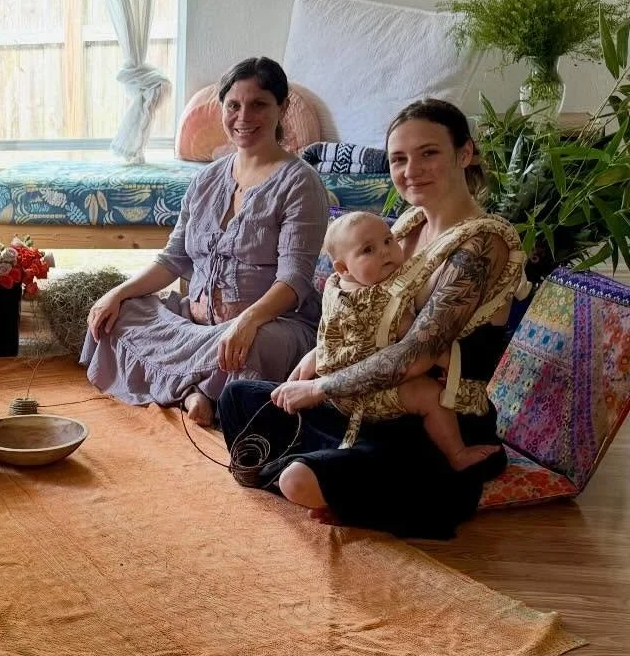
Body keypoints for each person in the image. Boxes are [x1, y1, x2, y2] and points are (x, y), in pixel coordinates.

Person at [220, 98, 528, 538]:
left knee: (296, 478)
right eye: (399, 159)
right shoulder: (404, 228)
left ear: (465, 153)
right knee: (238, 398)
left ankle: (353, 487)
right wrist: (316, 358)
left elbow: (417, 355)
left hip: (434, 424)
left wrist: (320, 387)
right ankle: (345, 487)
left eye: (428, 153)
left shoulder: (483, 243)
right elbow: (356, 311)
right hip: (369, 406)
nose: (411, 170)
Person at [82, 57, 329, 426]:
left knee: (254, 347)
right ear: (222, 109)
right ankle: (195, 391)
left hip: (269, 325)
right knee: (121, 315)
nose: (243, 117)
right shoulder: (205, 180)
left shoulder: (300, 183)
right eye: (233, 105)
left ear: (282, 107)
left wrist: (247, 321)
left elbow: (294, 281)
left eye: (258, 104)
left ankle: (188, 387)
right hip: (196, 324)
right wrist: (118, 293)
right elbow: (172, 259)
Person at [290, 210, 503, 470]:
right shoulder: (385, 298)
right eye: (368, 250)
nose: (384, 252)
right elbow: (421, 346)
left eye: (388, 240)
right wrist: (453, 368)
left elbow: (333, 333)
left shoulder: (334, 289)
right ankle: (458, 454)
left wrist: (316, 357)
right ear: (344, 268)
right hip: (369, 391)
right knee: (431, 396)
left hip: (336, 390)